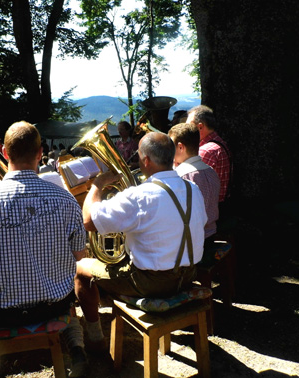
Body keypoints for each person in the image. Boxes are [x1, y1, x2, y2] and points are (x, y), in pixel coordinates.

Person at [0, 121, 89, 377]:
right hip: (56, 305)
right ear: (40, 153)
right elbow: (79, 256)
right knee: (64, 278)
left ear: (4, 153)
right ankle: (77, 348)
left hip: (1, 313)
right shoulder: (65, 198)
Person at [74, 132, 207, 349]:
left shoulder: (139, 196)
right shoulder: (193, 189)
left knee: (80, 268)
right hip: (189, 273)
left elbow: (88, 221)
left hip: (151, 284)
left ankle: (95, 338)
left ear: (146, 160)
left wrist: (97, 186)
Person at [168, 123, 220, 242]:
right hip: (211, 234)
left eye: (171, 147)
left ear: (180, 147)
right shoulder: (211, 171)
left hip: (191, 241)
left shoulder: (181, 176)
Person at [186, 105, 232, 204]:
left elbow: (190, 185)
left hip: (209, 209)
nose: (186, 130)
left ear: (200, 127)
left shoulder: (205, 151)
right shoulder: (218, 143)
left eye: (189, 126)